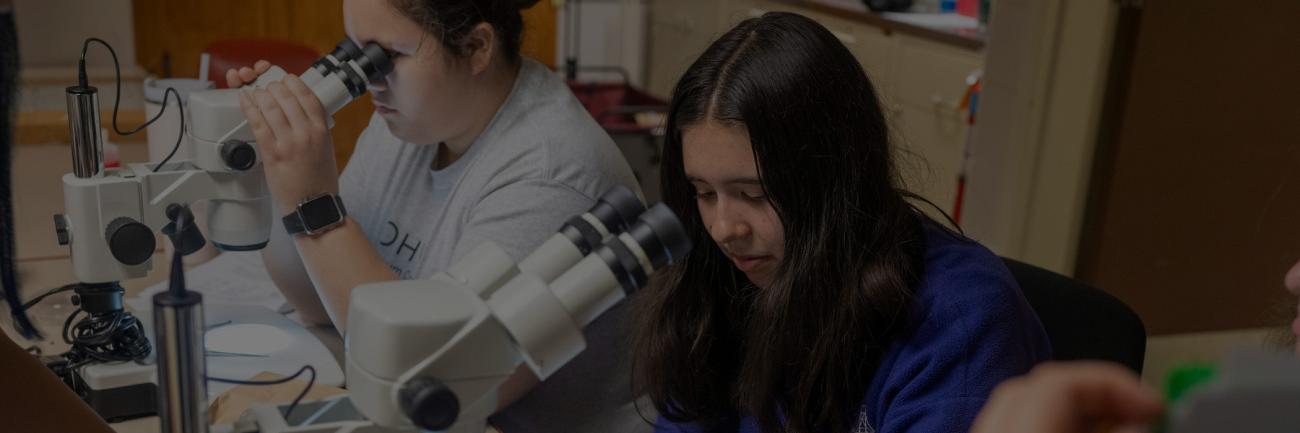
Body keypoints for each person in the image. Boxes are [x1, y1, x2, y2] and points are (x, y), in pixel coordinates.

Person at [229, 0, 644, 431]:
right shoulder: (412, 121)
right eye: (354, 50)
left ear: (477, 47)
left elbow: (422, 375)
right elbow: (315, 302)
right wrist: (273, 173)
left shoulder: (550, 174)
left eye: (386, 56)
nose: (369, 79)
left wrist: (315, 205)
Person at [629, 12, 1052, 433]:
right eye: (704, 193)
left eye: (755, 195)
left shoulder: (959, 325)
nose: (723, 228)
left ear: (833, 179)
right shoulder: (724, 279)